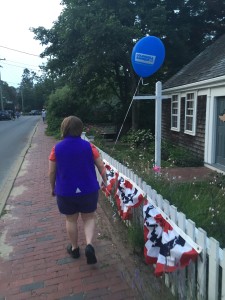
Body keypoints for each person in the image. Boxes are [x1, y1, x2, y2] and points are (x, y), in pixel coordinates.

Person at [48, 116, 107, 264]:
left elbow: (51, 172)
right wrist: (106, 181)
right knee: (89, 217)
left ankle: (74, 248)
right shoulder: (90, 147)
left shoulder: (56, 149)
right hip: (89, 190)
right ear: (80, 129)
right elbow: (101, 165)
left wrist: (52, 187)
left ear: (64, 129)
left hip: (66, 191)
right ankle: (89, 245)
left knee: (71, 219)